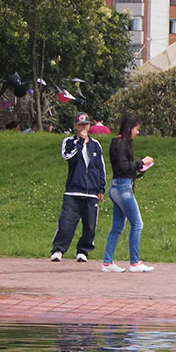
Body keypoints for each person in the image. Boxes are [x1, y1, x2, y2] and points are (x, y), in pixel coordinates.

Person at [101, 113, 155, 273]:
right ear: (129, 127)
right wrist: (141, 163)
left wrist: (140, 169)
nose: (137, 132)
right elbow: (123, 166)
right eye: (136, 129)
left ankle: (107, 262)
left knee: (117, 226)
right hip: (123, 187)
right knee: (137, 224)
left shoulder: (119, 143)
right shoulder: (120, 144)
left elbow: (123, 167)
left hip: (118, 186)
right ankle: (135, 262)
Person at [49, 112, 105, 263]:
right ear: (75, 126)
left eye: (86, 124)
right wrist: (80, 142)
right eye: (80, 125)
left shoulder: (96, 145)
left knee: (90, 225)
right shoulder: (69, 142)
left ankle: (83, 251)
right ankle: (58, 250)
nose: (83, 127)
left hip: (91, 192)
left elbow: (100, 167)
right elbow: (69, 157)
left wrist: (101, 188)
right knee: (66, 223)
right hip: (73, 191)